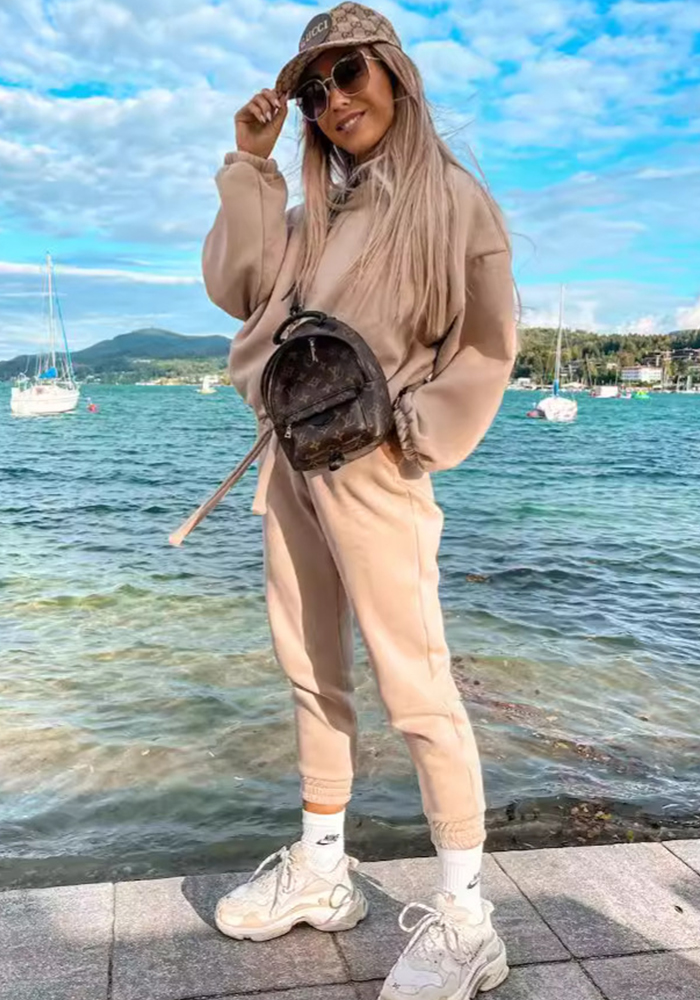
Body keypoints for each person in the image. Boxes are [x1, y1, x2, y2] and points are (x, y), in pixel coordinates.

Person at [201, 4, 517, 997]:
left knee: (416, 687)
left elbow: (486, 343)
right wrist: (249, 164)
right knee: (310, 670)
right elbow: (237, 286)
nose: (334, 100)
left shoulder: (452, 201)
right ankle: (323, 869)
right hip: (291, 458)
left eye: (347, 74)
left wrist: (411, 434)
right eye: (313, 89)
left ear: (392, 73)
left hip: (378, 468)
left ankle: (467, 918)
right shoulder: (314, 211)